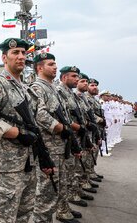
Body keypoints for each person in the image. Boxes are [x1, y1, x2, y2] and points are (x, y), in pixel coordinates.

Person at [0, 38, 54, 222]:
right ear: (5, 57)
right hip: (7, 166)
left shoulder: (25, 89)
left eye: (23, 53)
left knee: (24, 214)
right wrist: (17, 133)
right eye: (15, 53)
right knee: (2, 217)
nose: (21, 57)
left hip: (29, 163)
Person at [31, 53, 80, 223]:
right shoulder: (37, 88)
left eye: (55, 64)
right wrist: (60, 128)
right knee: (46, 191)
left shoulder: (52, 88)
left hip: (59, 147)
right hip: (49, 147)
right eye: (51, 64)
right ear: (40, 68)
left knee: (59, 185)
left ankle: (61, 211)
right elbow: (40, 114)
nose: (55, 67)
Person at [56, 66, 90, 214]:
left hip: (71, 138)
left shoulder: (70, 94)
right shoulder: (59, 92)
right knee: (66, 175)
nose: (77, 79)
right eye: (74, 76)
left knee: (69, 173)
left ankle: (66, 204)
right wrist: (75, 128)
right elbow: (62, 118)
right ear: (64, 78)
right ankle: (63, 207)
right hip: (62, 138)